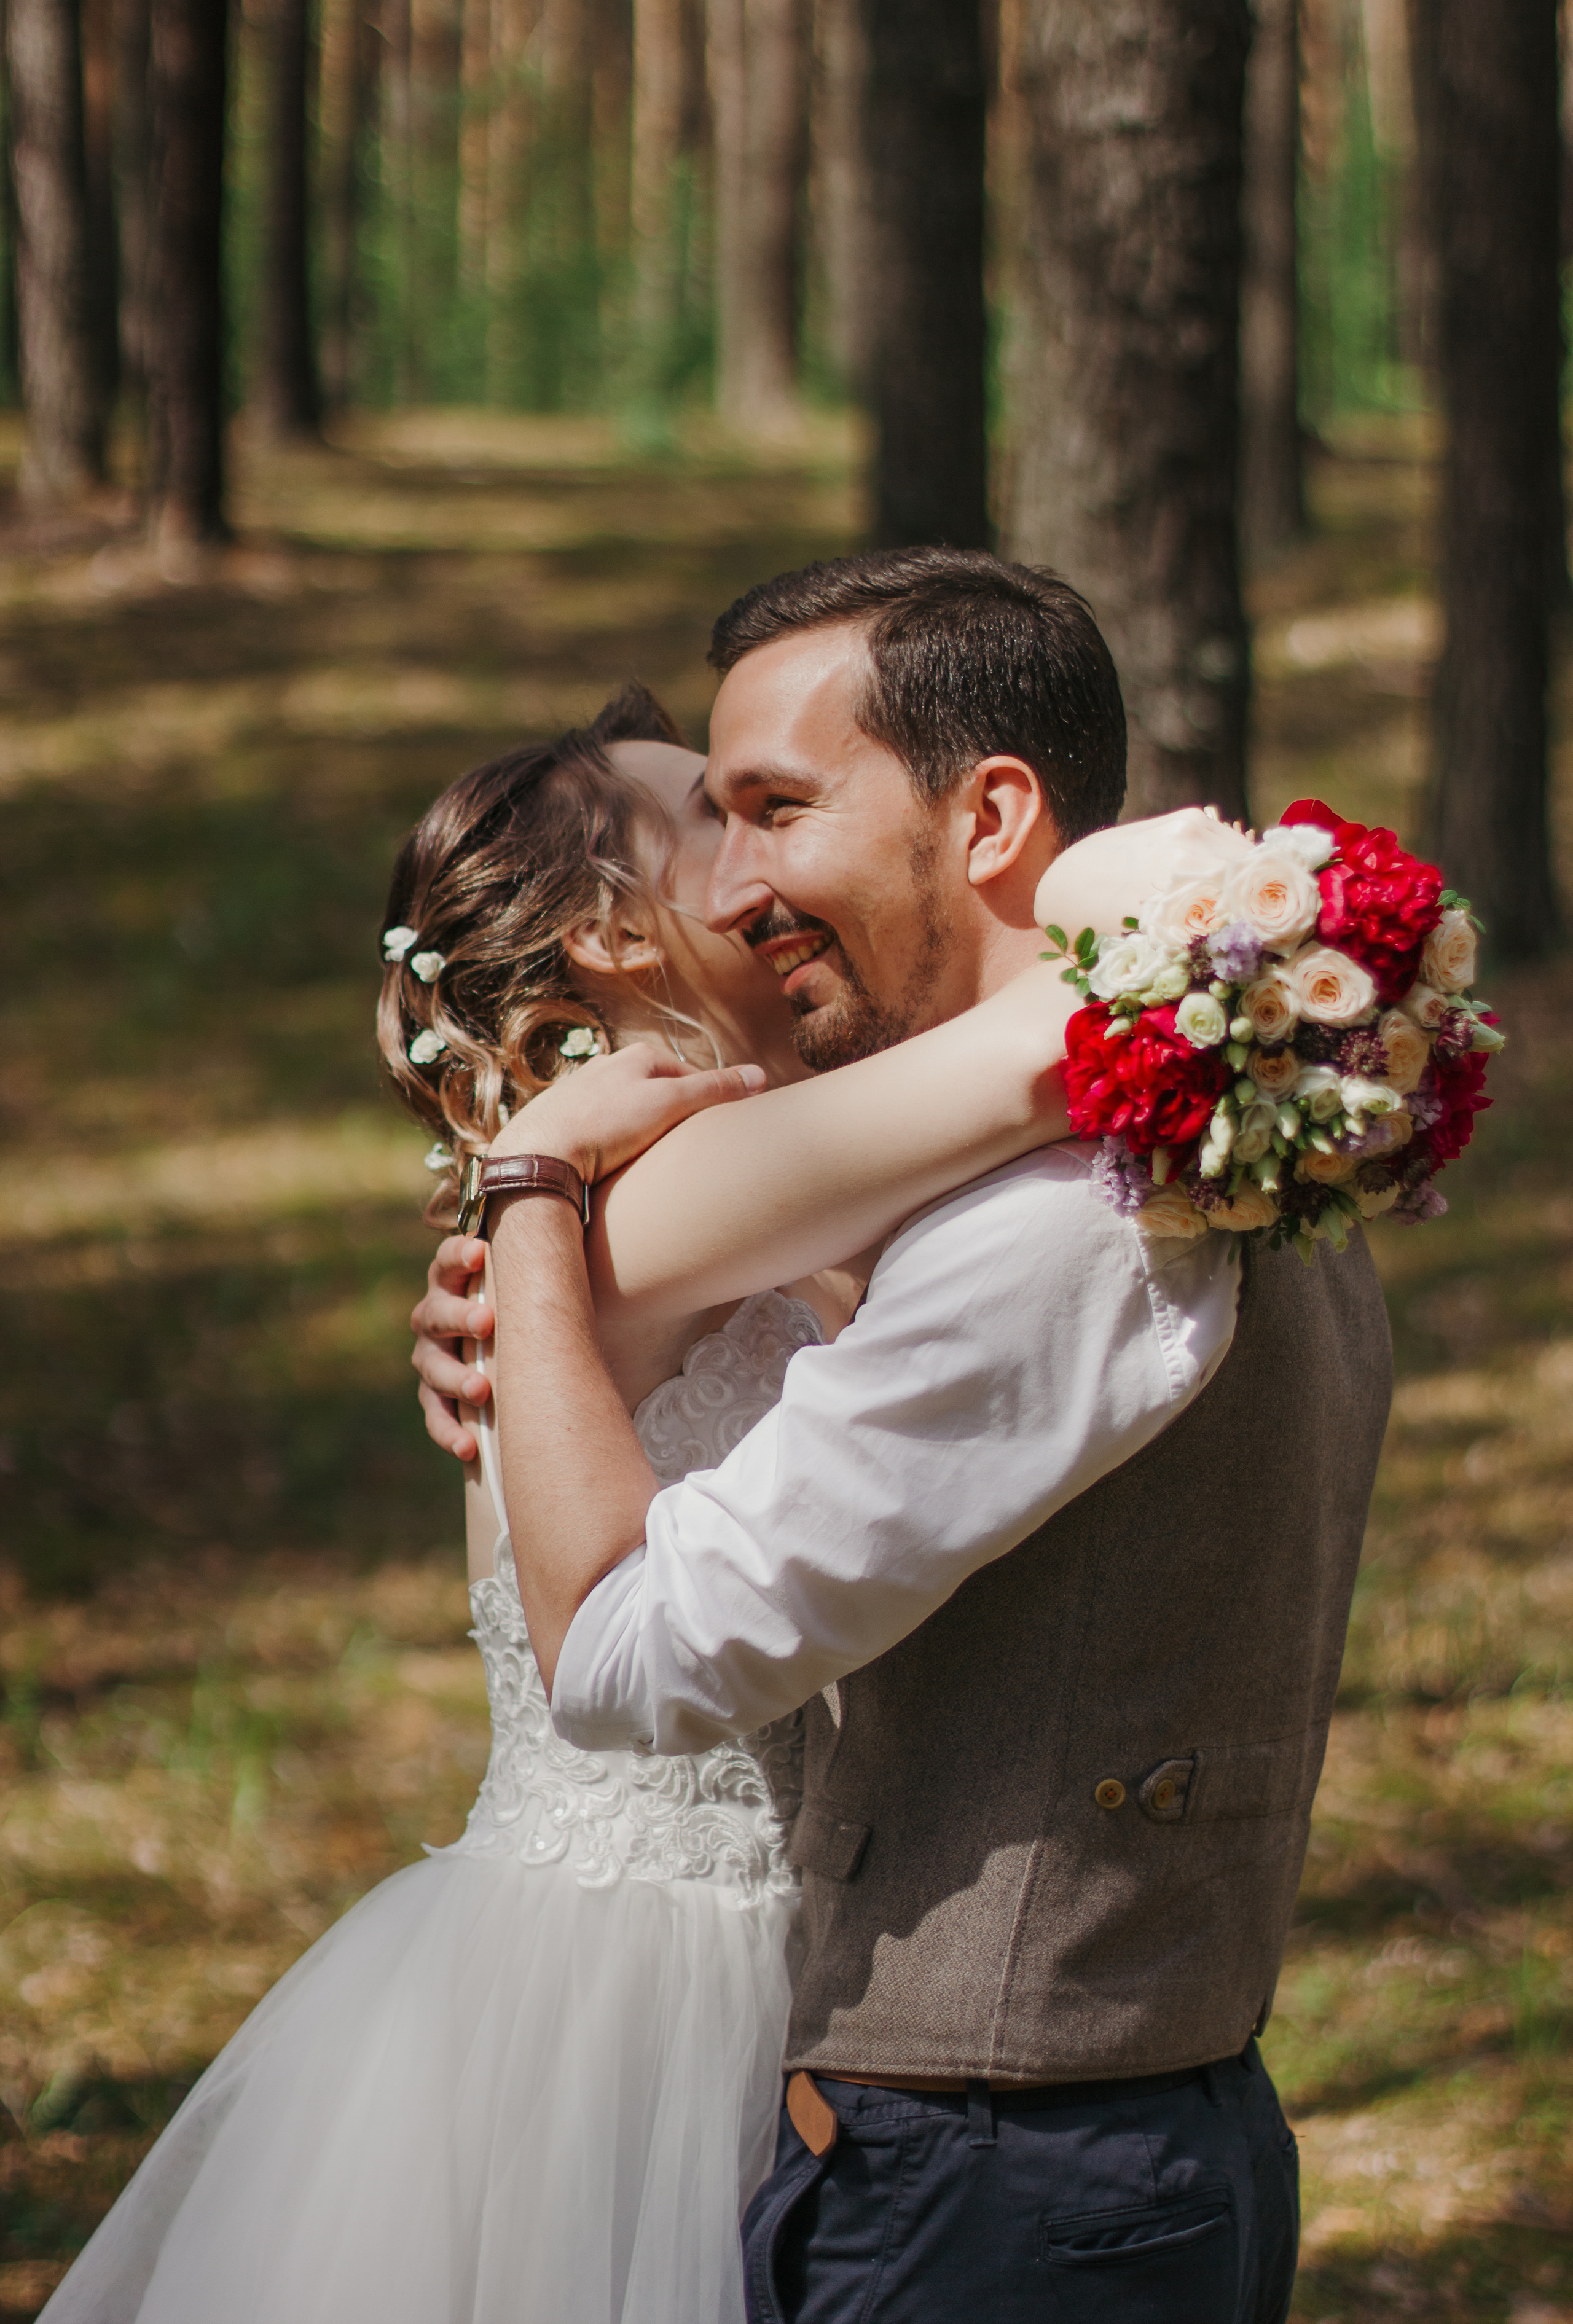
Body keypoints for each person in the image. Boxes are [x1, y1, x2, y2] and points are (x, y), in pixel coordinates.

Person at [43, 654, 1204, 2324]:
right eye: (706, 821)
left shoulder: (592, 1206)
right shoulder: (681, 1177)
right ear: (606, 932)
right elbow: (1049, 1049)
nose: (752, 863)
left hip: (616, 1945)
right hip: (664, 1980)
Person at [439, 548, 1394, 2324]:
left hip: (1001, 2177)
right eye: (708, 827)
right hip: (1072, 2135)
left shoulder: (1070, 1209)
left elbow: (639, 1654)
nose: (739, 884)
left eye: (778, 811)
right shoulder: (1237, 1128)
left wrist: (528, 1208)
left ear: (991, 815)